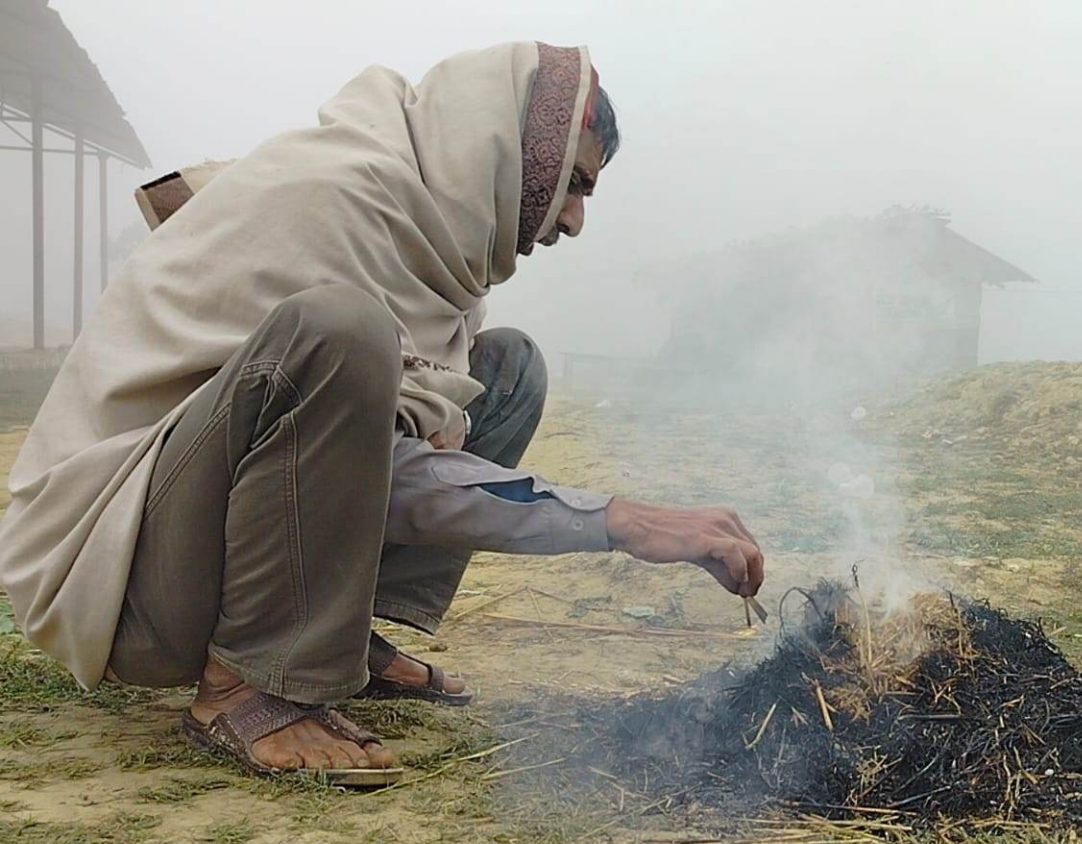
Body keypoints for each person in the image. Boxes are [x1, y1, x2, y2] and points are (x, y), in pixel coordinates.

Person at [0, 42, 764, 786]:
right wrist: (616, 520)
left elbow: (370, 457)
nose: (572, 221)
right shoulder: (333, 200)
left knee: (506, 368)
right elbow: (377, 471)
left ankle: (339, 638)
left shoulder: (431, 242)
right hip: (122, 575)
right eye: (574, 183)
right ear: (511, 149)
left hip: (212, 536)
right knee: (342, 330)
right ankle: (246, 684)